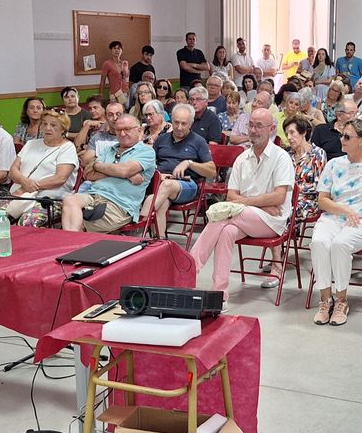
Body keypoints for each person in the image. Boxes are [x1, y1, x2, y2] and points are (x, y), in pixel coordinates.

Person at [190, 108, 294, 295]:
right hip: (244, 216)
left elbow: (279, 197)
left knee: (223, 214)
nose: (253, 130)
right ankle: (220, 293)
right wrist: (260, 203)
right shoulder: (241, 158)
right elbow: (231, 196)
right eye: (251, 125)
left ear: (272, 129)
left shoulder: (281, 158)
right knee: (226, 231)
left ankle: (190, 267)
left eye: (259, 126)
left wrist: (245, 203)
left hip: (273, 221)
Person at [311, 118, 362, 326]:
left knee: (341, 245)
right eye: (342, 135)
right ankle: (325, 299)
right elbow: (322, 200)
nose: (342, 139)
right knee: (319, 242)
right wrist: (343, 209)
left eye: (347, 137)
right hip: (334, 216)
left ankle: (341, 301)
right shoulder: (334, 164)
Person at [261, 115, 326, 290]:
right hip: (286, 199)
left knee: (283, 213)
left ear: (303, 133)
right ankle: (277, 257)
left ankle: (276, 265)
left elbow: (318, 186)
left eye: (292, 133)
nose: (289, 137)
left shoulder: (317, 154)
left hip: (309, 201)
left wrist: (292, 195)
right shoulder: (285, 155)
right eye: (287, 133)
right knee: (267, 211)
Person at [0, 110, 77, 227]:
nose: (47, 128)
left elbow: (60, 178)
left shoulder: (67, 148)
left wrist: (30, 187)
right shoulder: (31, 144)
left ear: (63, 129)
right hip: (18, 194)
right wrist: (23, 182)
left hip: (48, 199)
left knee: (27, 223)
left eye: (53, 125)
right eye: (44, 124)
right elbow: (13, 170)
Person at [62, 114, 156, 233]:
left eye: (127, 129)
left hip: (119, 204)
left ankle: (72, 245)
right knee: (69, 200)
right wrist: (121, 173)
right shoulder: (109, 149)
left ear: (139, 130)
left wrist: (98, 165)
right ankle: (74, 243)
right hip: (93, 194)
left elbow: (124, 170)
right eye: (118, 130)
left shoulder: (146, 151)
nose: (122, 134)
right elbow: (89, 174)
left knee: (75, 221)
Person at [143, 104, 215, 238]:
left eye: (184, 123)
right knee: (161, 204)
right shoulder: (162, 139)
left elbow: (212, 171)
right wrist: (159, 174)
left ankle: (139, 228)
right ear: (171, 120)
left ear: (191, 124)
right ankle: (160, 243)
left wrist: (189, 163)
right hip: (162, 184)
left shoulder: (198, 141)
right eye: (176, 122)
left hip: (187, 185)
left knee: (166, 186)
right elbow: (150, 163)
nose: (179, 127)